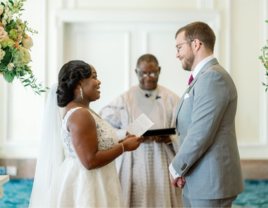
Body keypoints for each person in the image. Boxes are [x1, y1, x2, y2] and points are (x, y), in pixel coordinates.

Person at [29, 60, 144, 208]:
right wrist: (124, 148)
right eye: (94, 77)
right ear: (79, 83)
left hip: (98, 180)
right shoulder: (80, 114)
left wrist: (122, 142)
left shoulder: (83, 110)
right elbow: (89, 161)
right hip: (86, 185)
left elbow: (94, 148)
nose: (99, 82)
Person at [169, 22, 245, 208]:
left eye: (179, 47)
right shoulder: (204, 77)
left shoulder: (212, 77)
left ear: (196, 44)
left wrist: (176, 167)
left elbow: (200, 133)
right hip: (199, 180)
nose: (177, 54)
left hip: (211, 182)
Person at [99, 54, 183, 208]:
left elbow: (185, 131)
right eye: (143, 73)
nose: (148, 78)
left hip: (162, 161)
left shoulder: (171, 99)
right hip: (133, 162)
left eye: (152, 73)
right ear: (136, 72)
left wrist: (169, 139)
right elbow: (105, 128)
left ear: (159, 70)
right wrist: (127, 134)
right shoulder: (124, 100)